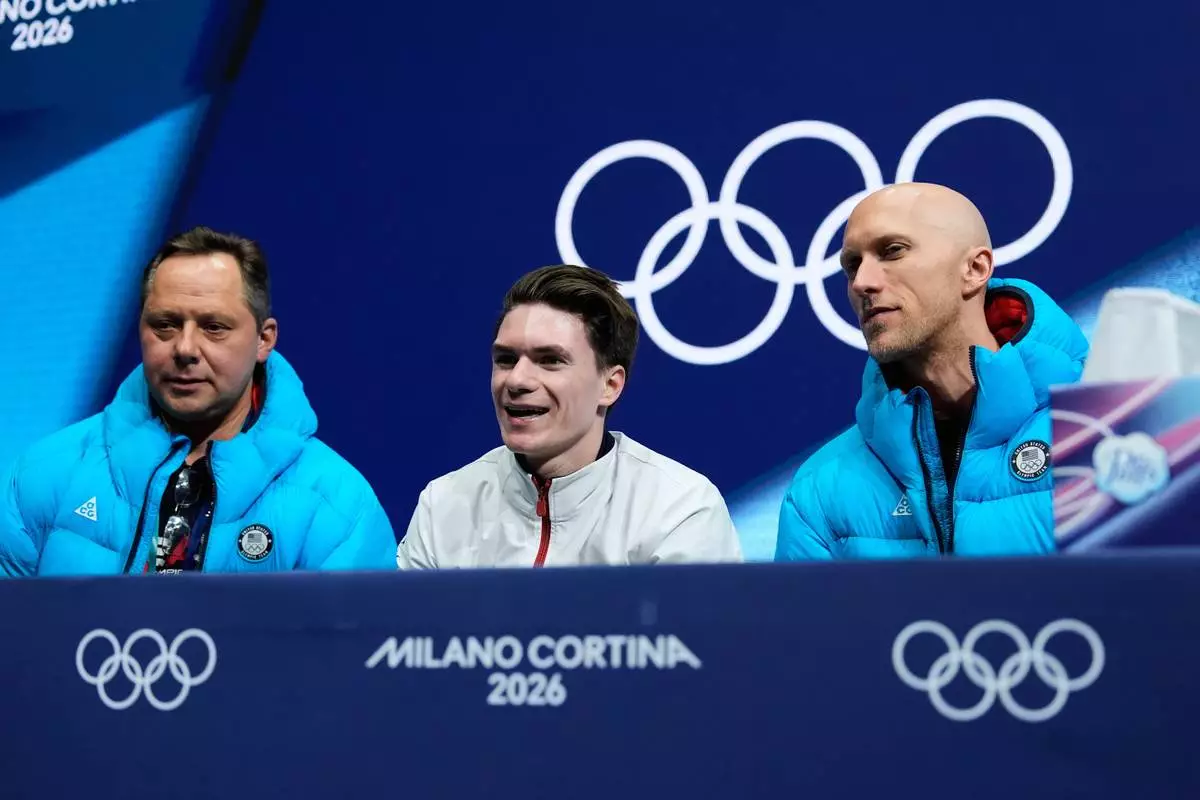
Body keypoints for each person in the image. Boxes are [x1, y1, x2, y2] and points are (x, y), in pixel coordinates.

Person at [0, 226, 396, 576]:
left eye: (214, 327)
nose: (185, 348)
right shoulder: (45, 475)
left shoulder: (337, 506)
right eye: (165, 324)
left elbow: (352, 657)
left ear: (264, 339)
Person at [775, 183, 1088, 559]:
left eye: (892, 251)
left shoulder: (1109, 425)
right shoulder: (817, 494)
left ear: (975, 268)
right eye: (852, 265)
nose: (862, 282)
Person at [397, 264, 742, 568]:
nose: (516, 380)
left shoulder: (680, 511)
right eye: (505, 359)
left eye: (549, 360)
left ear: (609, 385)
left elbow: (700, 642)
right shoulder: (442, 505)